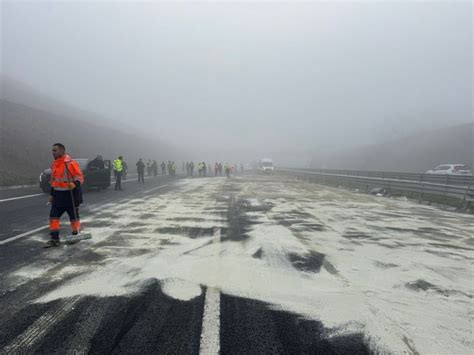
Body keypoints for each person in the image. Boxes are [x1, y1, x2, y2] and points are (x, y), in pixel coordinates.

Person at [45, 143, 84, 247]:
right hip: (58, 196)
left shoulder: (70, 163)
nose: (53, 152)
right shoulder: (54, 164)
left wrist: (74, 184)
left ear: (62, 151)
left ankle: (76, 235)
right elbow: (54, 181)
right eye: (52, 150)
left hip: (70, 196)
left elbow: (79, 177)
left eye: (55, 150)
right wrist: (51, 194)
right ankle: (54, 239)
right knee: (53, 217)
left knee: (74, 218)